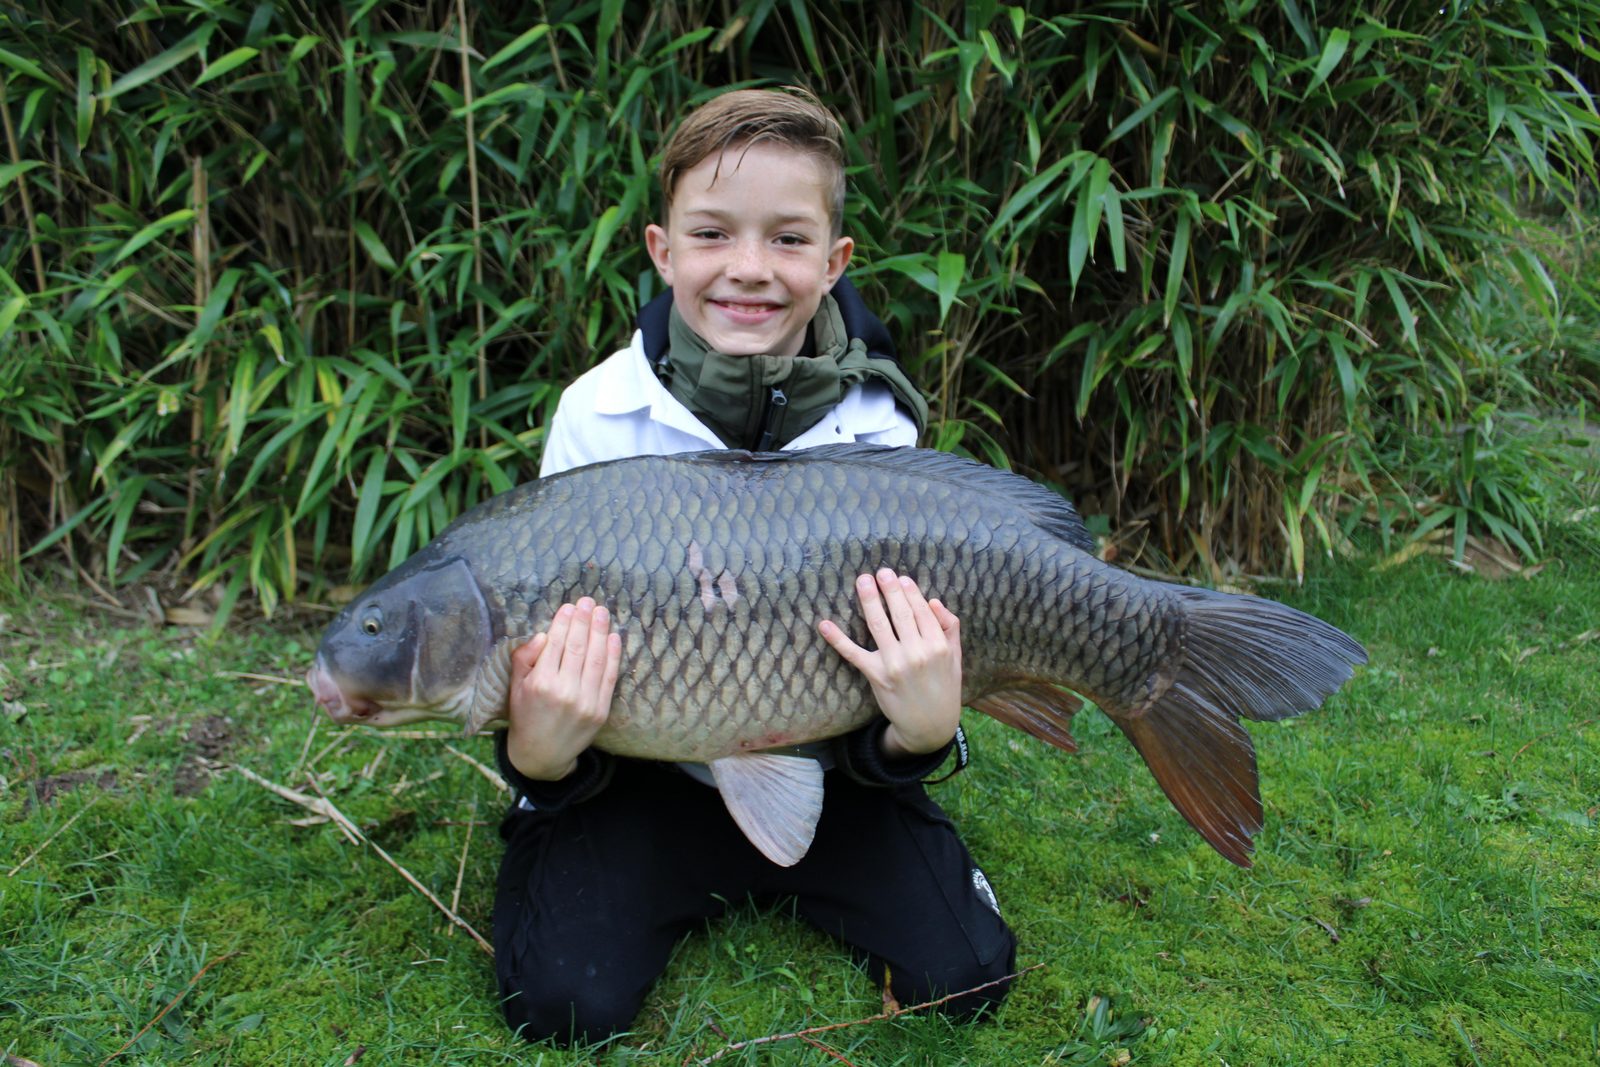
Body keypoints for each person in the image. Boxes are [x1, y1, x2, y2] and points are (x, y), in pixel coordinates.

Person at [491, 87, 1016, 1046]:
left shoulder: (877, 425)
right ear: (662, 251)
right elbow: (551, 661)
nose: (748, 269)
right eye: (712, 234)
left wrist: (923, 733)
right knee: (560, 1002)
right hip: (643, 775)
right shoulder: (595, 418)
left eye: (786, 239)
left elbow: (900, 673)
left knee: (967, 975)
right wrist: (538, 752)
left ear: (834, 261)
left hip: (835, 763)